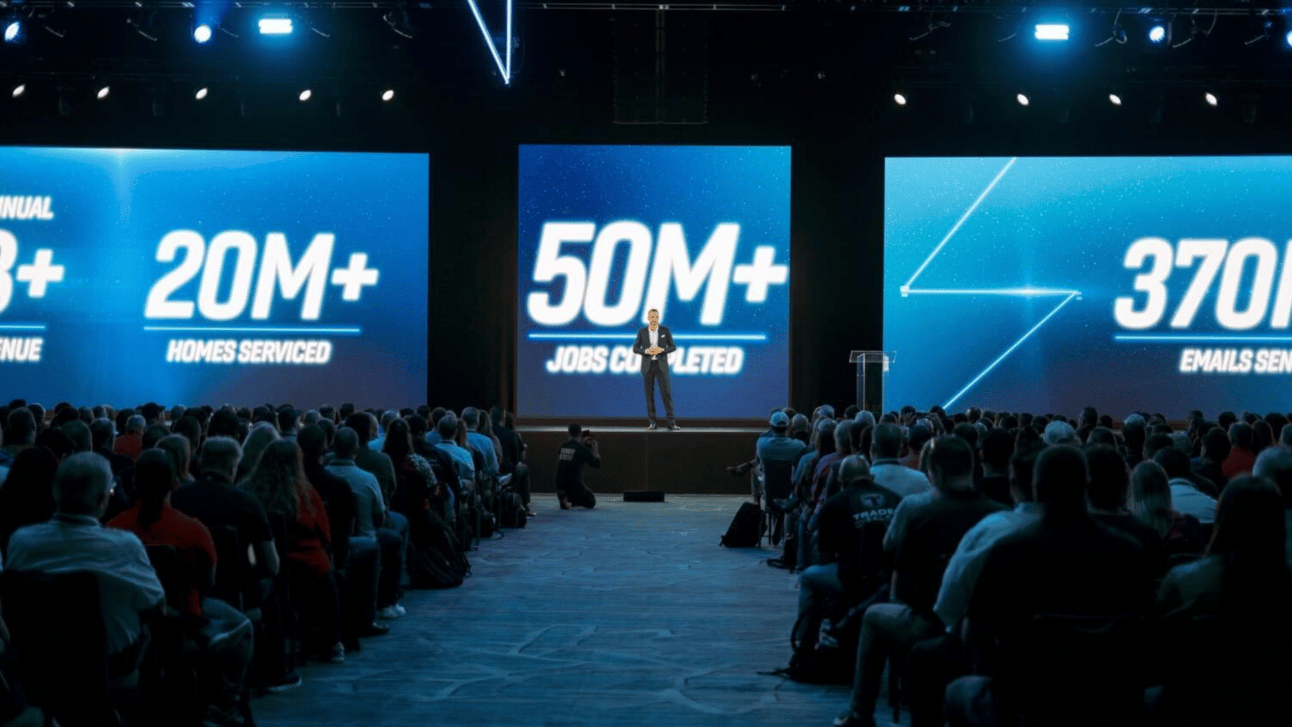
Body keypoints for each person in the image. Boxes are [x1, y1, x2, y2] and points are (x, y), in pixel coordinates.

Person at [944, 446, 1154, 727]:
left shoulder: (1009, 551)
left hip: (1025, 701)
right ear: (1086, 486)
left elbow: (974, 635)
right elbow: (1148, 631)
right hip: (1110, 700)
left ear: (1036, 488)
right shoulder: (1129, 552)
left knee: (954, 692)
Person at [107, 450, 254, 727]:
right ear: (175, 483)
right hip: (186, 621)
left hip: (130, 624)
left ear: (134, 483)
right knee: (243, 627)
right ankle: (225, 706)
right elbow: (207, 582)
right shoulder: (193, 530)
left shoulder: (114, 529)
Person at [6, 453, 166, 682]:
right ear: (103, 500)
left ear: (55, 493)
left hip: (39, 663)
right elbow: (156, 607)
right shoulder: (125, 546)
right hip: (111, 666)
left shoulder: (21, 541)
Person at [632, 308, 679, 431]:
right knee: (649, 395)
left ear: (658, 318)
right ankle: (652, 422)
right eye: (651, 317)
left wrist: (661, 350)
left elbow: (673, 346)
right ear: (648, 317)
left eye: (656, 317)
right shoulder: (642, 332)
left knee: (666, 394)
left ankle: (671, 423)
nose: (653, 319)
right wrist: (646, 351)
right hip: (648, 366)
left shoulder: (665, 330)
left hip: (661, 365)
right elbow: (635, 348)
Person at [554, 423, 600, 509]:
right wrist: (594, 449)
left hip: (559, 483)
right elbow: (596, 464)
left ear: (568, 433)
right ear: (580, 434)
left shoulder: (562, 446)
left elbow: (572, 452)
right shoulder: (582, 449)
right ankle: (570, 499)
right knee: (591, 501)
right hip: (574, 483)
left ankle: (565, 497)